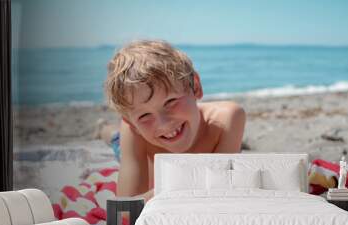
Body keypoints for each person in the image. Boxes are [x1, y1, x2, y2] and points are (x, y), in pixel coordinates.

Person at [102, 39, 246, 202]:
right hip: (133, 146)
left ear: (196, 86)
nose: (163, 124)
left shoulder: (227, 118)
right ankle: (105, 130)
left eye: (170, 102)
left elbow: (220, 188)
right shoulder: (132, 130)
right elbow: (126, 209)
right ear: (131, 123)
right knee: (116, 140)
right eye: (144, 116)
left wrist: (169, 189)